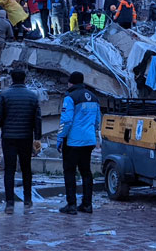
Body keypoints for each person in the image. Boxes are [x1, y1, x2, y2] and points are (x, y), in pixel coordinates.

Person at [0, 69, 42, 214]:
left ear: (11, 79)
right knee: (26, 169)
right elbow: (37, 119)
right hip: (26, 138)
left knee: (9, 170)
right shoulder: (32, 97)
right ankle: (27, 200)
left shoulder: (5, 95)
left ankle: (10, 204)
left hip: (9, 138)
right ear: (24, 79)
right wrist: (37, 138)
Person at [57, 71, 101, 215]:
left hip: (73, 142)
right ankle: (87, 205)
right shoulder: (94, 98)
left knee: (69, 172)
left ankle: (71, 205)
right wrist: (90, 133)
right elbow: (97, 121)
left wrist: (60, 138)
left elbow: (66, 120)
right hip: (89, 141)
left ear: (71, 82)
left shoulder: (70, 97)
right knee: (86, 172)